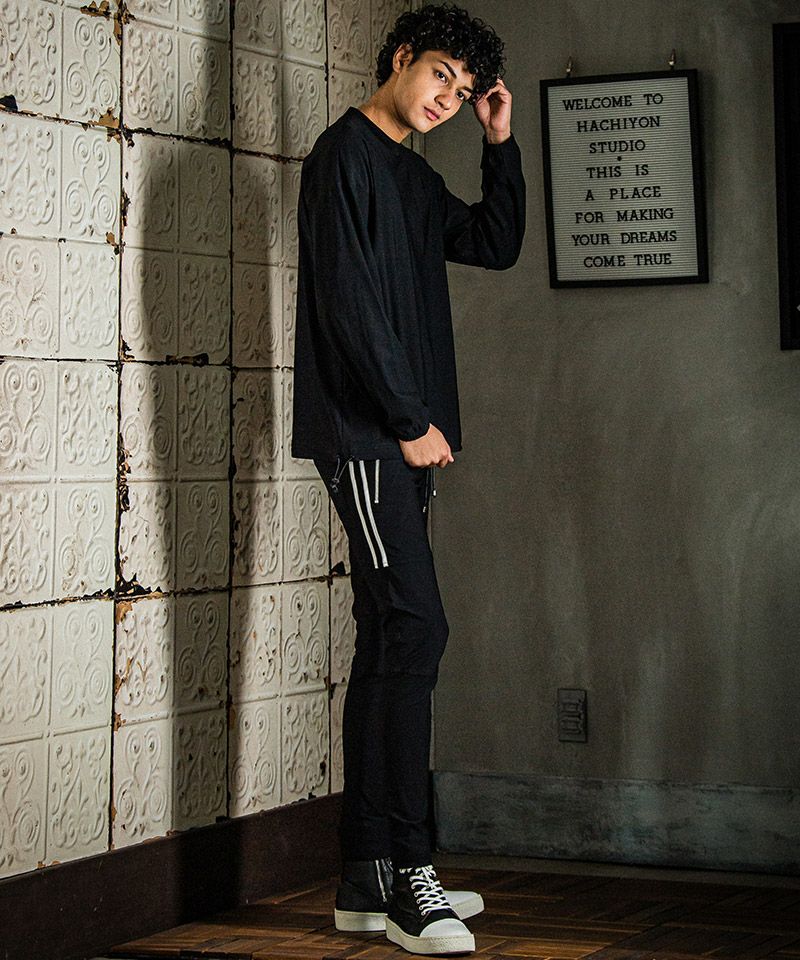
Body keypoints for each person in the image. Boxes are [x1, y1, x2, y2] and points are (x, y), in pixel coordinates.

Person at [291, 3, 526, 954]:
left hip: (404, 438)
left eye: (463, 92)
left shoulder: (415, 176)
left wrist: (499, 142)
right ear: (400, 58)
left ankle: (367, 875)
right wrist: (408, 421)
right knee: (418, 626)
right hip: (368, 437)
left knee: (391, 635)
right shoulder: (341, 158)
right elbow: (348, 305)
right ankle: (408, 872)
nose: (447, 99)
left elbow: (496, 243)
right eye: (440, 77)